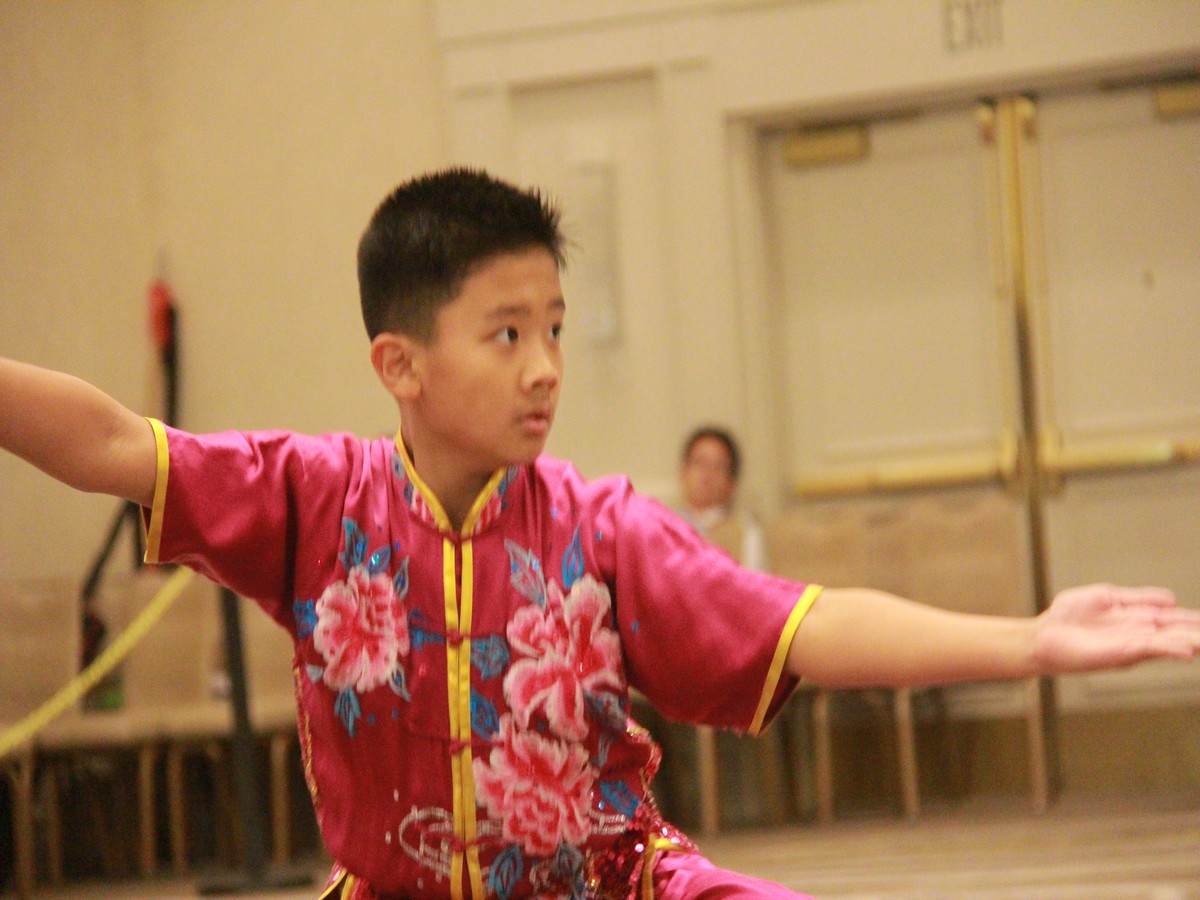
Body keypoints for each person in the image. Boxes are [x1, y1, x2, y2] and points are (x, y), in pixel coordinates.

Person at [2, 168, 1197, 900]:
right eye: (507, 333)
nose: (547, 367)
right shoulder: (314, 499)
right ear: (399, 363)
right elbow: (110, 443)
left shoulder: (600, 527)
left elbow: (805, 625)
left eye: (556, 328)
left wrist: (1029, 641)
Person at [678, 426, 766, 572]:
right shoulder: (664, 528)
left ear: (732, 483)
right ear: (683, 472)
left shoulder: (746, 534)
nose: (706, 473)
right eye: (699, 462)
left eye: (717, 466)